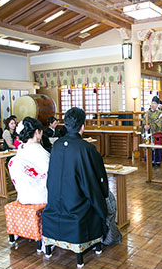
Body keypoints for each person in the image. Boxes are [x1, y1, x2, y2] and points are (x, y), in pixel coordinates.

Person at [42, 107, 108, 255]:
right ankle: (99, 239)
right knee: (107, 200)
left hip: (54, 204)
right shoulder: (87, 148)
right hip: (77, 207)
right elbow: (97, 179)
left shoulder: (57, 145)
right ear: (82, 126)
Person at [8, 117, 50, 204]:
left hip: (24, 196)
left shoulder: (19, 153)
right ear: (37, 132)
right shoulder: (41, 154)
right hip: (42, 197)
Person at [143, 96, 162, 166]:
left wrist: (151, 126)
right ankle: (150, 160)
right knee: (149, 145)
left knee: (157, 146)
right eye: (152, 103)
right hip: (149, 132)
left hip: (157, 132)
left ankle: (157, 161)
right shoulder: (147, 113)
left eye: (154, 103)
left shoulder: (160, 113)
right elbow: (145, 121)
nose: (153, 105)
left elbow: (159, 122)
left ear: (157, 105)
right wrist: (144, 126)